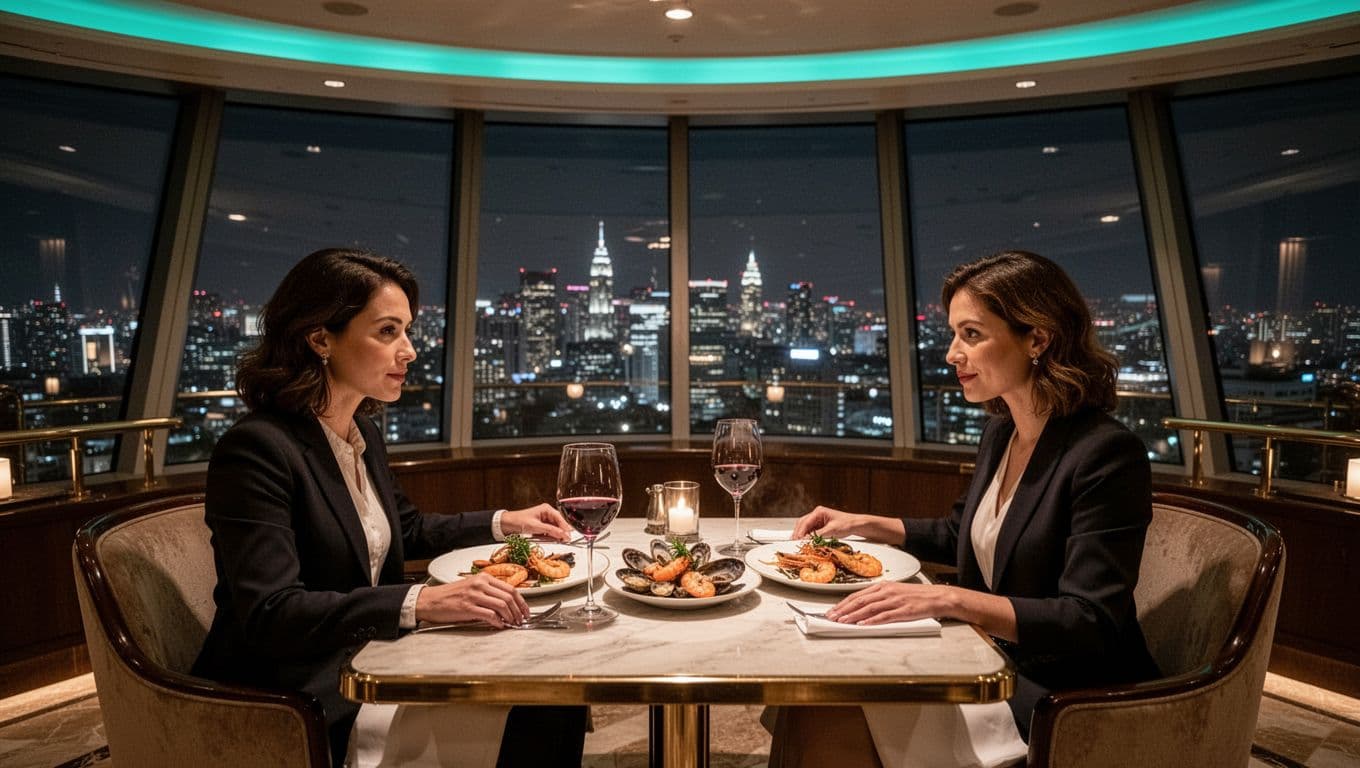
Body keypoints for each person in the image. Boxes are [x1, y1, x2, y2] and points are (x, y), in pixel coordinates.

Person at [191, 248, 588, 768]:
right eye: (387, 332)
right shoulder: (257, 449)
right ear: (320, 339)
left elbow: (406, 527)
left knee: (558, 686)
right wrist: (419, 602)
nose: (410, 351)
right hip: (297, 691)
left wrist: (504, 522)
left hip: (370, 651)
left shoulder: (360, 435)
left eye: (408, 331)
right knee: (534, 704)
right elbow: (272, 613)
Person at [770, 250, 1160, 768]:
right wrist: (863, 524)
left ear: (1038, 339)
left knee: (838, 703)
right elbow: (965, 532)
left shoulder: (1105, 453)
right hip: (988, 655)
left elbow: (1090, 621)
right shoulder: (1002, 432)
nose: (952, 353)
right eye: (953, 334)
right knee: (812, 692)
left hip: (1060, 692)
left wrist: (949, 600)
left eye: (972, 335)